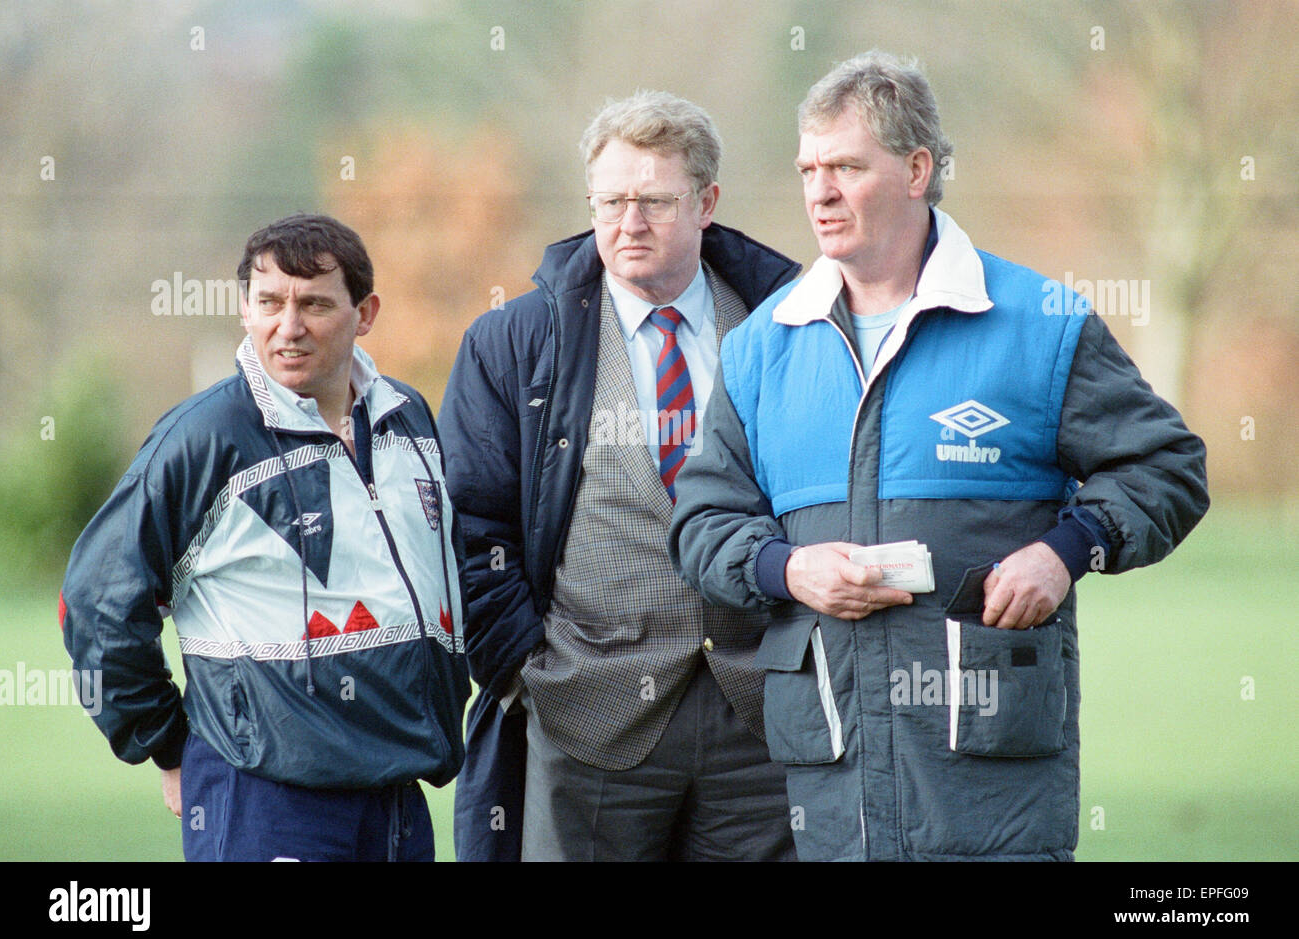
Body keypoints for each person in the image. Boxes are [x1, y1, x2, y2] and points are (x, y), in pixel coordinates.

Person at [668, 51, 1210, 861]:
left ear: (917, 169)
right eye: (808, 168)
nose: (819, 191)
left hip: (994, 785)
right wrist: (789, 569)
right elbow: (700, 522)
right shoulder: (760, 349)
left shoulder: (1038, 322)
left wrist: (1066, 551)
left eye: (847, 166)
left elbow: (1168, 468)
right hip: (834, 787)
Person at [441, 90, 802, 861]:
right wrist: (526, 674)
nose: (627, 223)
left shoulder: (788, 326)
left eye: (654, 202)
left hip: (761, 716)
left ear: (707, 202)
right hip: (587, 713)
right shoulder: (514, 343)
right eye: (610, 201)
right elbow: (470, 527)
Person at [60, 214, 470, 861]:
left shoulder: (408, 417)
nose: (289, 325)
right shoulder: (203, 437)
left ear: (365, 312)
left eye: (313, 303)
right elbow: (96, 599)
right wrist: (164, 742)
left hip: (396, 792)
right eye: (268, 301)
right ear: (245, 309)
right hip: (264, 799)